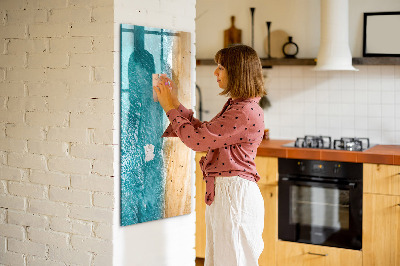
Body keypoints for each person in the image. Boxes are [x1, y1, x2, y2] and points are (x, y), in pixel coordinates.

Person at [153, 44, 266, 266]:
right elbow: (205, 133)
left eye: (221, 67)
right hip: (228, 194)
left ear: (237, 71)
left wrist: (169, 108)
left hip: (234, 196)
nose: (215, 72)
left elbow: (197, 141)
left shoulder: (243, 111)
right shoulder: (239, 106)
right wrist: (175, 103)